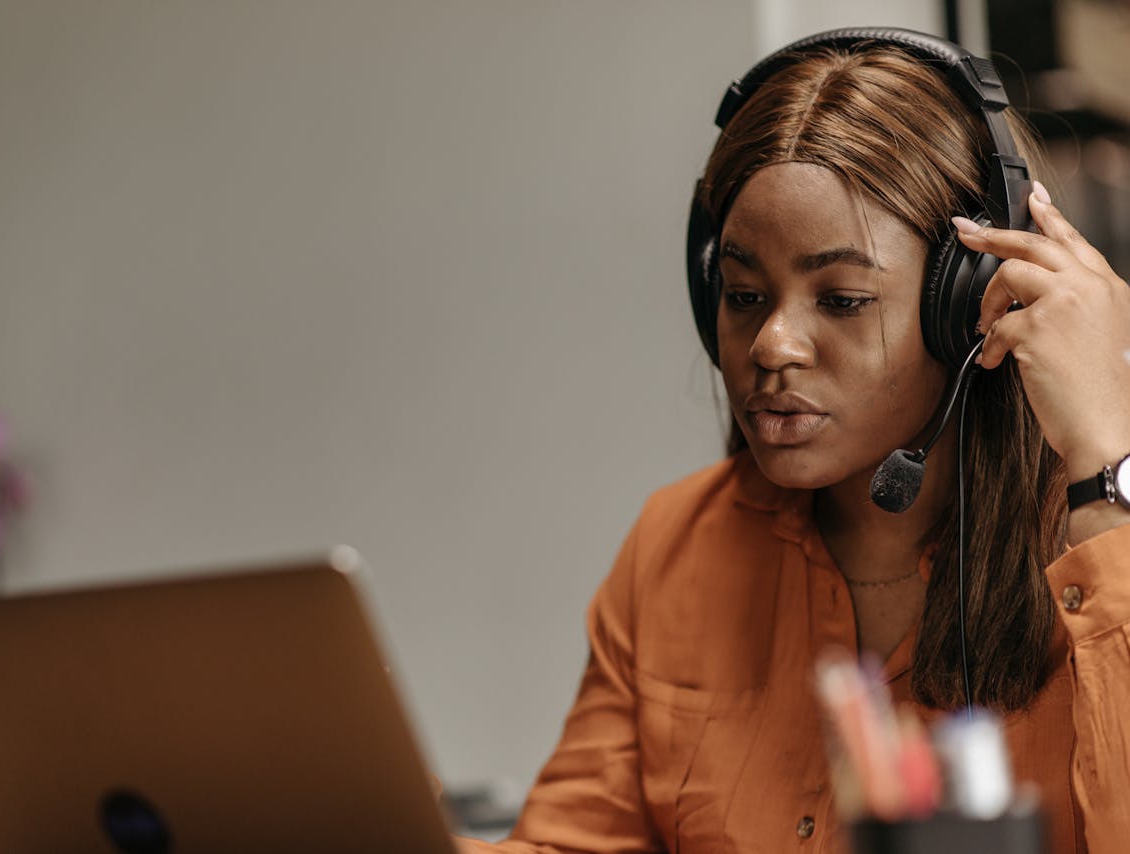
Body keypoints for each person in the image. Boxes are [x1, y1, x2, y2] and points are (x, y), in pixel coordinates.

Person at [457, 28, 1130, 854]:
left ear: (971, 305)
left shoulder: (1108, 546)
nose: (772, 343)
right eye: (744, 294)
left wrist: (1103, 471)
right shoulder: (677, 546)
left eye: (842, 299)